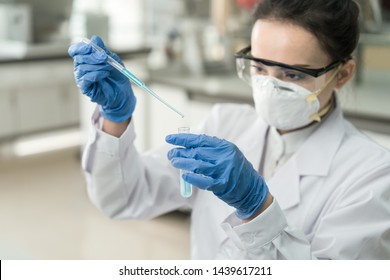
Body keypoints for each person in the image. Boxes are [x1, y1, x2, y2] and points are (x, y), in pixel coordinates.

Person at [68, 0, 390, 259]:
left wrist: (258, 209)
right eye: (259, 67)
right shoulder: (225, 123)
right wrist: (115, 118)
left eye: (293, 75)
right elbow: (124, 196)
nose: (270, 87)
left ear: (344, 73)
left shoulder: (372, 176)